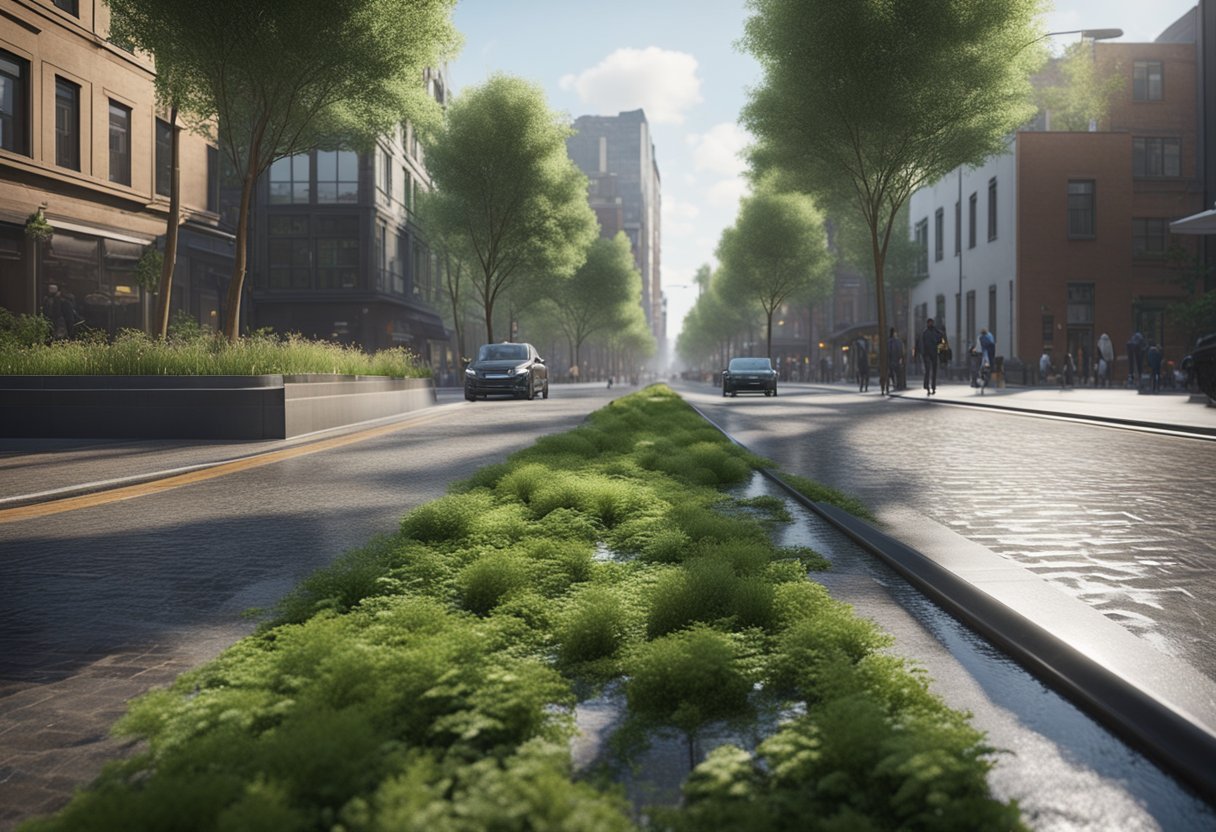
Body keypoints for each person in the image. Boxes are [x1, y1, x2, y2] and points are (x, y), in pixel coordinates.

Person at [920, 318, 942, 395]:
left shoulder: (935, 331)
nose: (931, 324)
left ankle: (932, 387)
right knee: (928, 371)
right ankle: (927, 386)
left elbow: (940, 340)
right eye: (929, 323)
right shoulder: (925, 333)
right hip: (927, 354)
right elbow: (922, 344)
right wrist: (923, 354)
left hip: (934, 353)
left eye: (931, 323)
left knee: (933, 371)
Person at [887, 327, 905, 392]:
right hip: (896, 359)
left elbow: (888, 351)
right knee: (897, 373)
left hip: (893, 359)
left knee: (894, 373)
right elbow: (902, 351)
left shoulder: (890, 342)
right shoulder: (898, 341)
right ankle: (898, 384)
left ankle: (896, 384)